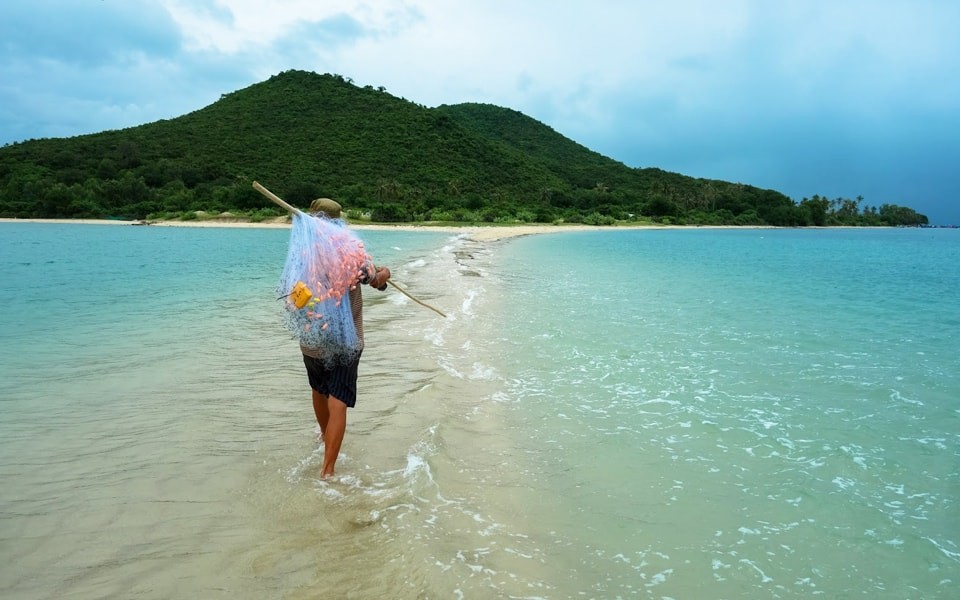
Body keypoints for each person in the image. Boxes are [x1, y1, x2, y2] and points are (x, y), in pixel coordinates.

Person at [301, 197, 391, 478]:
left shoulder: (304, 252)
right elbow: (376, 280)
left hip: (312, 340)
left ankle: (323, 436)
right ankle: (327, 470)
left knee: (319, 389)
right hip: (345, 342)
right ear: (339, 222)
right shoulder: (352, 254)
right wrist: (385, 272)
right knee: (337, 398)